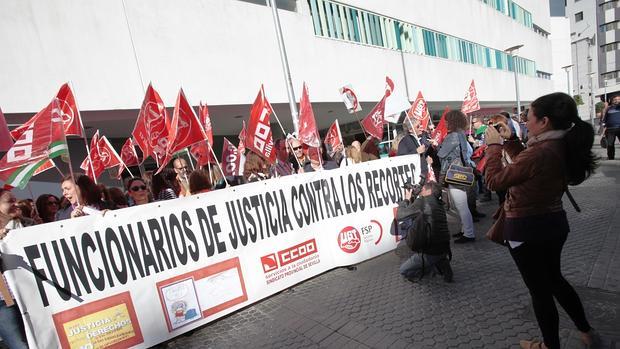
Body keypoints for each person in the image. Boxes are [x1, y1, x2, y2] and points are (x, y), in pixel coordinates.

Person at [484, 92, 598, 349]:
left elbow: (494, 182)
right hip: (553, 223)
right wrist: (511, 141)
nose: (525, 121)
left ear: (544, 121)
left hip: (527, 228)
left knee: (540, 292)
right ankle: (586, 332)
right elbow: (526, 167)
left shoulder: (540, 152)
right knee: (555, 280)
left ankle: (549, 345)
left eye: (529, 117)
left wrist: (492, 148)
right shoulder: (558, 144)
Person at [397, 182, 453, 282]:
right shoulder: (439, 203)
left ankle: (435, 269)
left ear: (429, 191)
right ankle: (442, 263)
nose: (420, 192)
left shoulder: (422, 202)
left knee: (403, 270)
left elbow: (400, 215)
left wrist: (406, 199)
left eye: (422, 190)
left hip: (430, 251)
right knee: (437, 252)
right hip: (445, 247)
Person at [437, 110, 475, 243]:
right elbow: (468, 151)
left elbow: (441, 154)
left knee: (460, 205)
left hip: (454, 173)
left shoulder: (452, 136)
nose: (445, 123)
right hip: (462, 172)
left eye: (447, 121)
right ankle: (465, 230)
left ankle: (469, 234)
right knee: (462, 204)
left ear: (452, 122)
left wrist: (436, 146)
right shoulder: (461, 134)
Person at [0, 189, 30, 349]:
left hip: (32, 293)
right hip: (5, 299)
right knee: (19, 344)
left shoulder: (28, 223)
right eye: (9, 201)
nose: (16, 204)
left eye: (15, 200)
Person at [601, 95, 620, 160]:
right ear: (612, 100)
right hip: (610, 130)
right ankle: (611, 157)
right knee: (610, 145)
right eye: (615, 99)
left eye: (618, 99)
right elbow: (605, 119)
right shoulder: (608, 109)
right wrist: (603, 130)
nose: (617, 100)